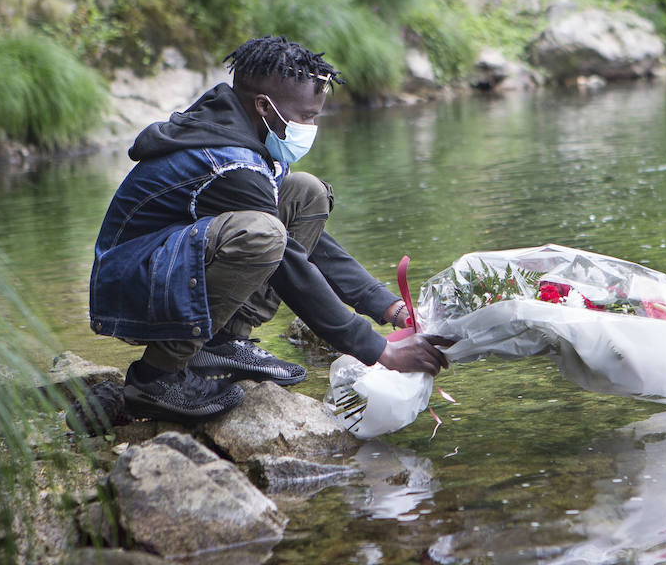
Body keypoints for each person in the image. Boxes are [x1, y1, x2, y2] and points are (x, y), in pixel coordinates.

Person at [89, 36, 448, 421]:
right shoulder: (231, 162)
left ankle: (223, 342)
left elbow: (314, 246)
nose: (311, 126)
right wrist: (380, 351)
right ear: (264, 105)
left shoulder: (249, 136)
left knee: (306, 194)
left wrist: (389, 307)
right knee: (264, 235)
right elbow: (289, 261)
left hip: (166, 270)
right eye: (306, 116)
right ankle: (156, 377)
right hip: (129, 291)